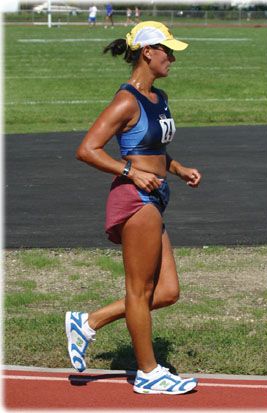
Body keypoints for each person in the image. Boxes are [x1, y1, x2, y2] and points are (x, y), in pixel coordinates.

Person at [66, 21, 202, 395]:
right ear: (147, 52)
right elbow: (87, 149)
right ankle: (147, 372)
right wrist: (130, 171)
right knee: (139, 290)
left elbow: (153, 148)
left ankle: (89, 321)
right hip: (134, 199)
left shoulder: (159, 97)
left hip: (156, 197)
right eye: (167, 50)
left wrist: (178, 168)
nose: (172, 57)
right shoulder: (126, 99)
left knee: (168, 291)